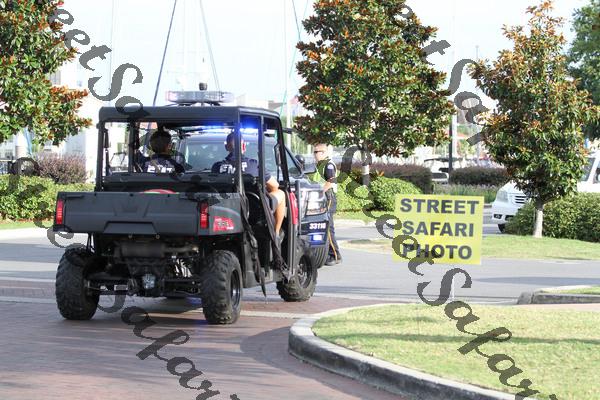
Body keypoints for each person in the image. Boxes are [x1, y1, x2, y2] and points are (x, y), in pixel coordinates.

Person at [212, 133, 286, 237]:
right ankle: (276, 234)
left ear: (226, 147)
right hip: (253, 210)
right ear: (243, 146)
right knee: (281, 193)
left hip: (224, 210)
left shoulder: (216, 167)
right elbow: (274, 186)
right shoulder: (254, 164)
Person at [311, 143, 341, 266]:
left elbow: (330, 181)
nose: (314, 155)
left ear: (323, 153)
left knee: (328, 227)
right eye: (314, 152)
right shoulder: (320, 165)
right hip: (322, 197)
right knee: (323, 226)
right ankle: (326, 254)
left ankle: (335, 255)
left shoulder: (328, 165)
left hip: (328, 197)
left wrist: (320, 192)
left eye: (316, 152)